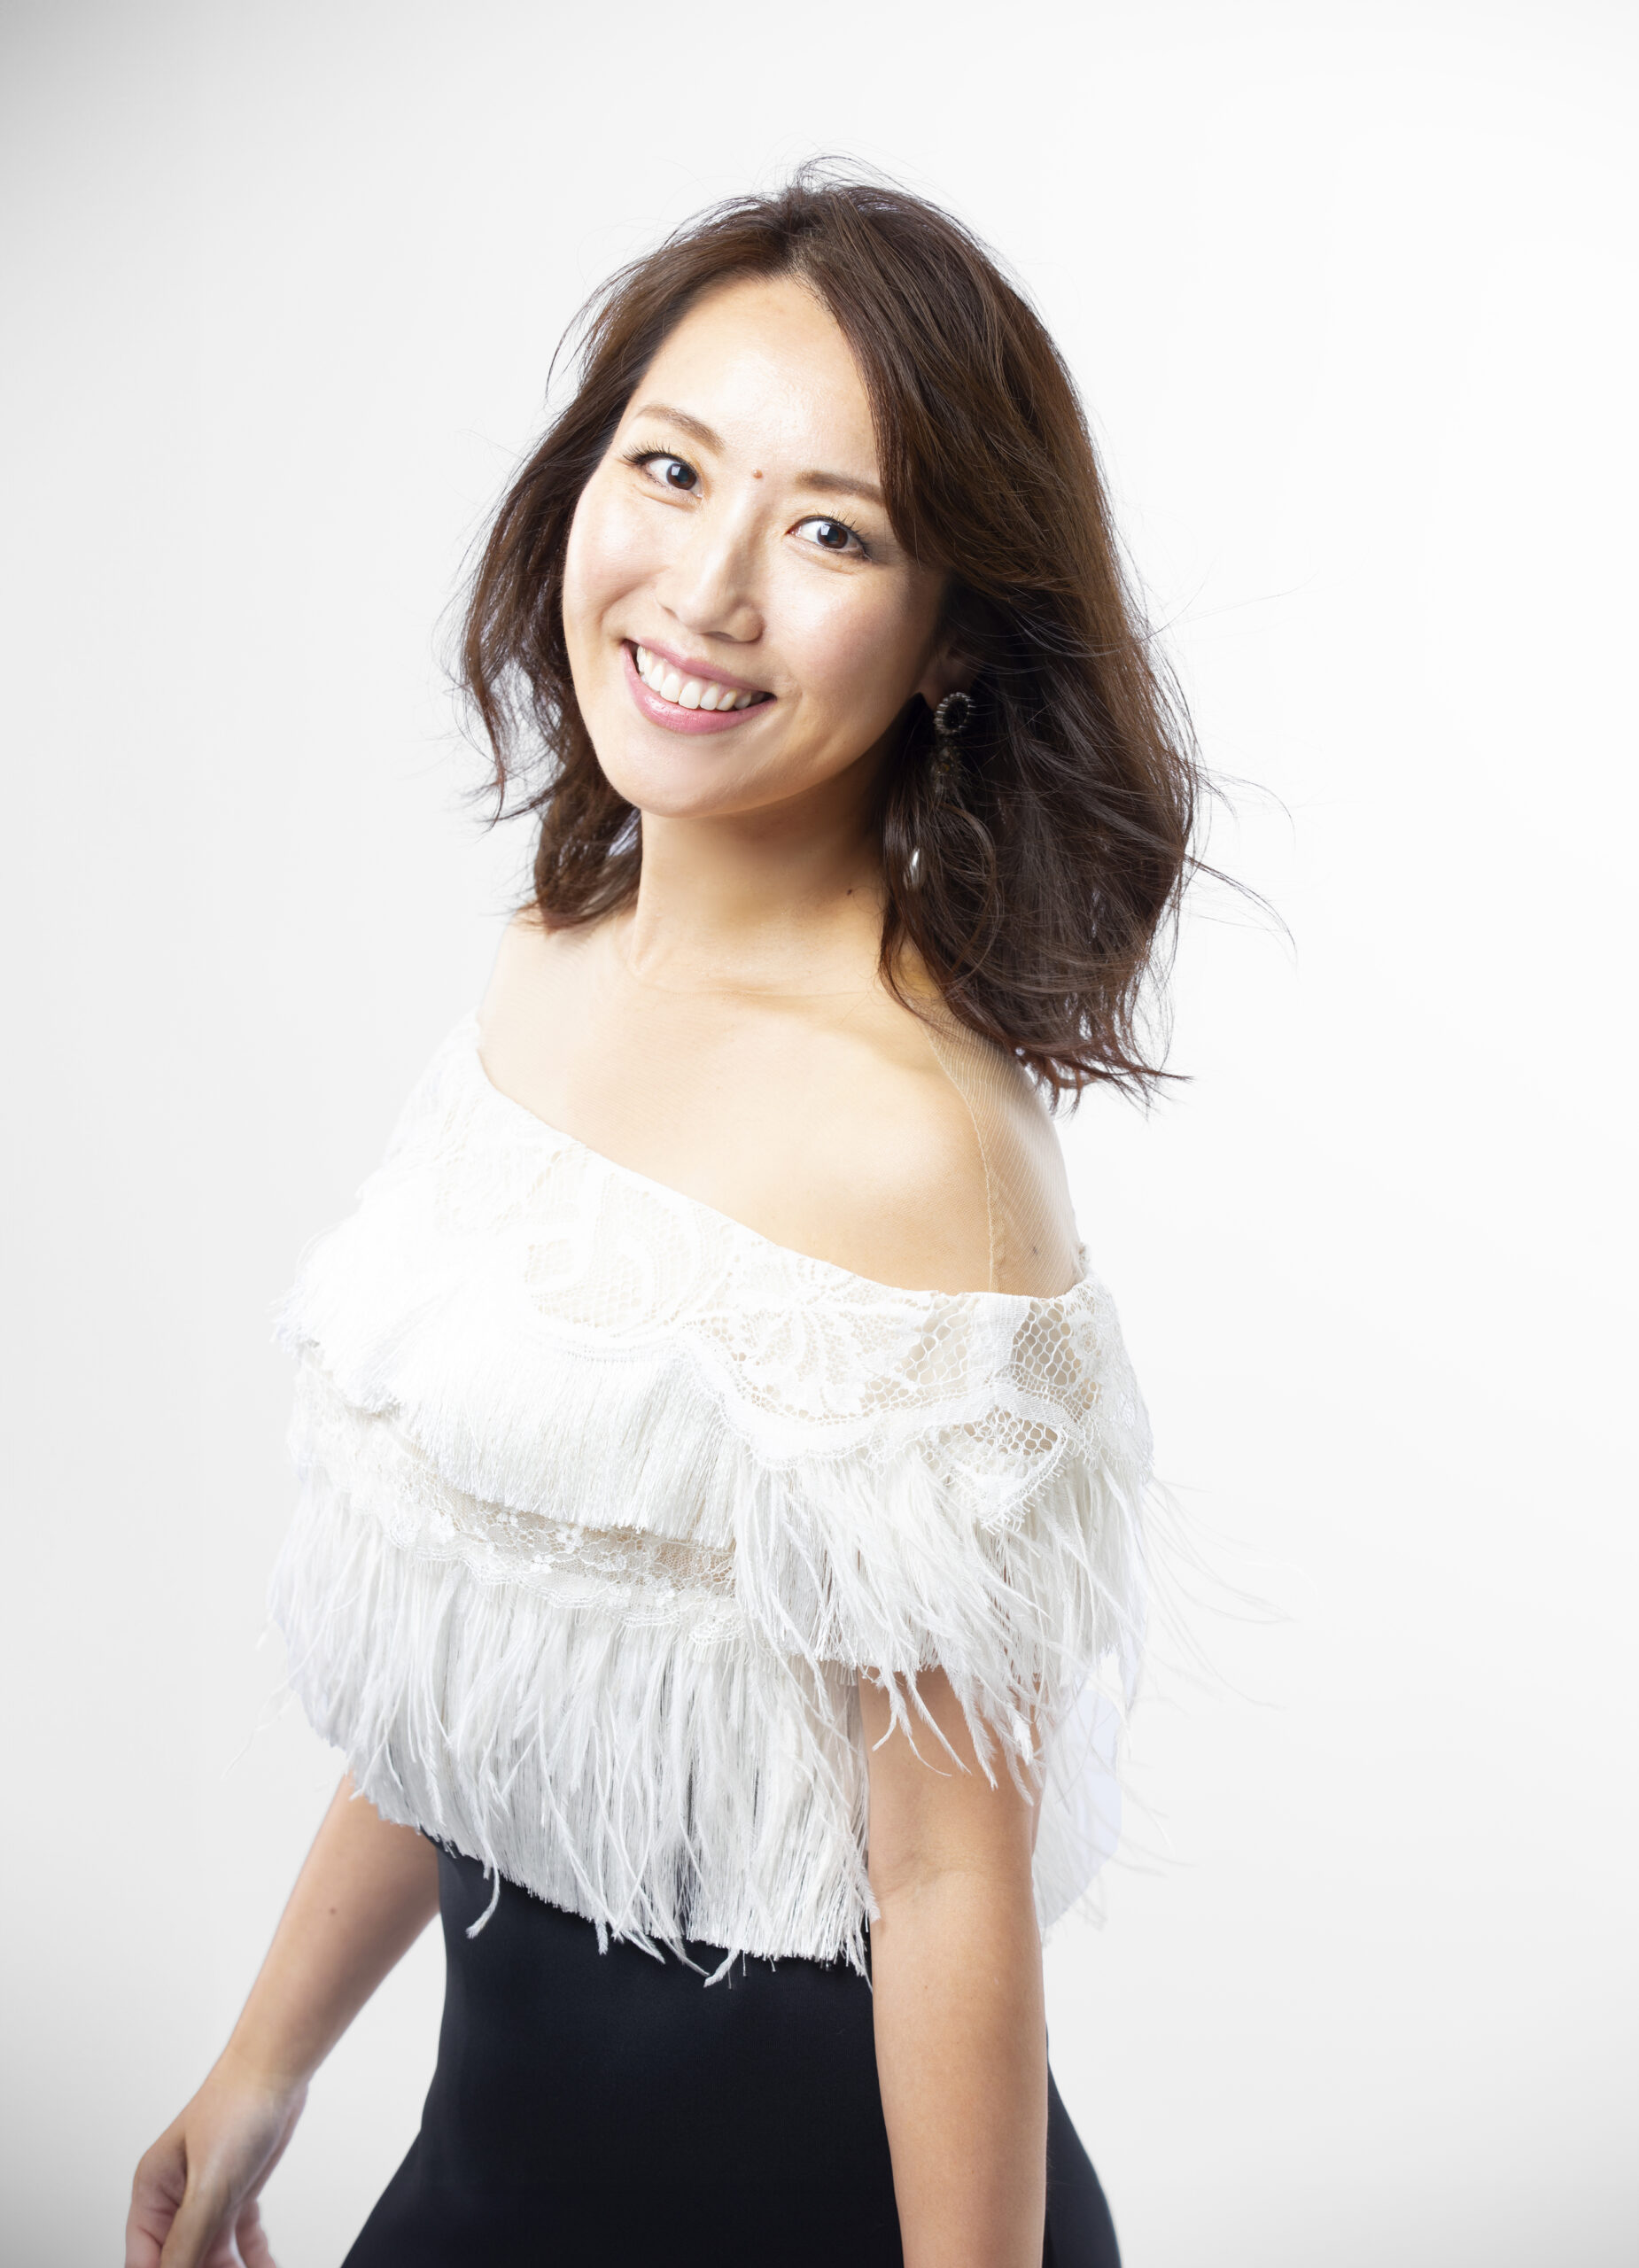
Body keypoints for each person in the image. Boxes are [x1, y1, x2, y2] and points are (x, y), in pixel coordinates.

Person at [126, 167, 1200, 2268]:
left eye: (830, 531)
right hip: (486, 2193)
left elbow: (946, 1882)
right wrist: (268, 2056)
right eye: (672, 468)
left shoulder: (916, 1146)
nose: (706, 587)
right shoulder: (548, 961)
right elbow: (500, 1647)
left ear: (952, 631)